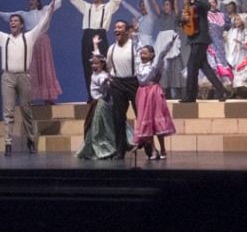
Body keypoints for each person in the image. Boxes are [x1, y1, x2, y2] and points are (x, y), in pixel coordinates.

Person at [0, 0, 57, 155]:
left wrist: (50, 10)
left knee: (26, 110)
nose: (13, 23)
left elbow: (42, 24)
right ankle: (8, 143)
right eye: (11, 21)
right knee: (8, 112)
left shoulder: (29, 37)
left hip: (24, 76)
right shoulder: (4, 38)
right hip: (8, 77)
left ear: (22, 25)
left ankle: (31, 140)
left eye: (16, 21)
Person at [0, 0, 63, 104]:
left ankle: (48, 97)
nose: (30, 1)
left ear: (38, 2)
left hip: (43, 41)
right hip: (30, 40)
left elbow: (55, 5)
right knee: (30, 68)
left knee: (44, 67)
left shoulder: (43, 11)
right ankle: (29, 98)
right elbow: (9, 15)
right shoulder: (24, 14)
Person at [57, 0, 124, 96]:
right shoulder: (86, 7)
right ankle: (91, 96)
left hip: (100, 36)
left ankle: (105, 94)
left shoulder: (108, 8)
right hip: (87, 37)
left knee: (102, 64)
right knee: (88, 66)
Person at [176, 0, 228, 102]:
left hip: (201, 39)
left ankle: (190, 96)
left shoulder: (199, 4)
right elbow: (178, 21)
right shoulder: (186, 7)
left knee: (191, 67)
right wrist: (181, 20)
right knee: (204, 67)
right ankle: (222, 91)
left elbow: (208, 6)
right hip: (194, 40)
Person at [76, 49, 128, 160]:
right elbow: (101, 80)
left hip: (102, 104)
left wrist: (108, 79)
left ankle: (110, 147)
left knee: (104, 127)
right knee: (96, 128)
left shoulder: (103, 74)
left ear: (102, 64)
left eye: (96, 63)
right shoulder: (96, 75)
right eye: (92, 63)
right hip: (97, 104)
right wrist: (95, 45)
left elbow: (103, 80)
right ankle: (98, 148)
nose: (94, 65)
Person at [131, 36, 178, 160]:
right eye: (142, 54)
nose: (142, 55)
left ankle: (162, 148)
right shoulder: (138, 64)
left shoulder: (155, 64)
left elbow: (162, 53)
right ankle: (152, 149)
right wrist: (135, 35)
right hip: (142, 93)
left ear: (152, 55)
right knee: (147, 122)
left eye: (145, 54)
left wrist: (170, 41)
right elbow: (137, 48)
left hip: (153, 92)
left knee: (156, 121)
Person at [105, 19, 140, 159]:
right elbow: (108, 65)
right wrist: (112, 77)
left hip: (133, 82)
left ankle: (149, 147)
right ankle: (120, 149)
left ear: (127, 31)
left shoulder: (134, 46)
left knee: (141, 116)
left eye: (120, 27)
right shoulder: (111, 48)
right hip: (118, 84)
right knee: (118, 117)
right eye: (115, 27)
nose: (116, 29)